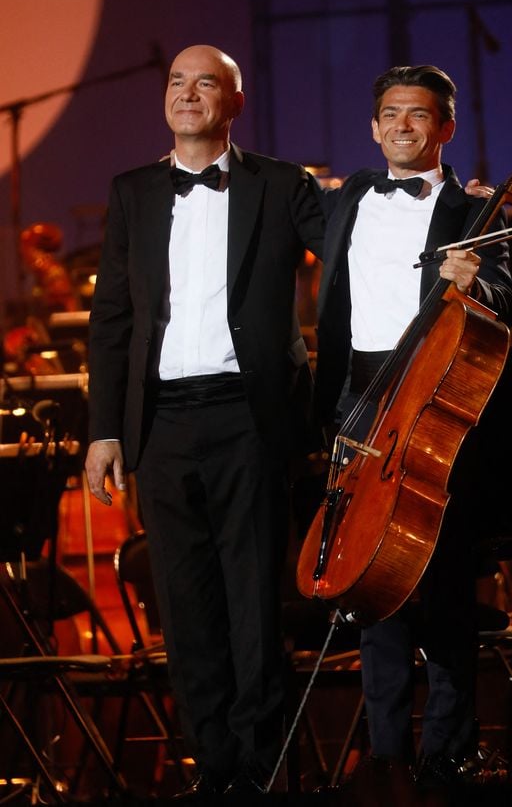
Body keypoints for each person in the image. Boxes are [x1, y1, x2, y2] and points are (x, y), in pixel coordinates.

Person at [84, 44, 326, 797]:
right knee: (184, 604)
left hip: (249, 418)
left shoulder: (282, 184)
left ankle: (263, 765)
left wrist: (444, 203)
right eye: (177, 82)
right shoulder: (131, 192)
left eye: (206, 83)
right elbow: (113, 318)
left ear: (234, 102)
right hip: (160, 426)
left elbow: (356, 245)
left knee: (254, 597)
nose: (188, 94)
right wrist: (103, 429)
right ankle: (213, 766)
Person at [312, 65, 512, 791]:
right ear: (373, 127)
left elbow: (503, 293)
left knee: (445, 585)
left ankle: (451, 749)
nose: (403, 125)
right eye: (392, 113)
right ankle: (387, 749)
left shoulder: (473, 210)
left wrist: (477, 280)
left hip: (435, 401)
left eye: (420, 114)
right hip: (362, 397)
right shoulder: (345, 200)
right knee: (372, 582)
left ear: (446, 128)